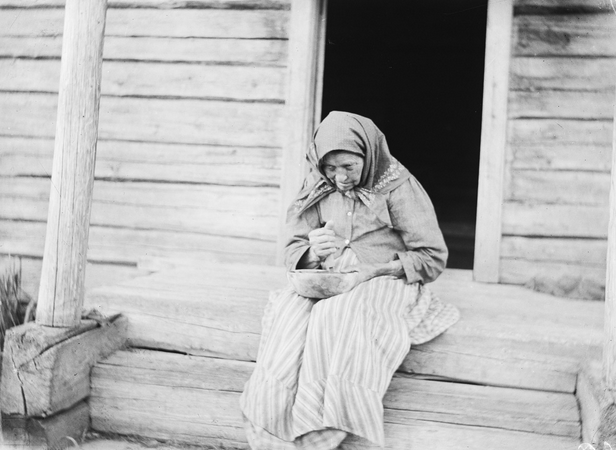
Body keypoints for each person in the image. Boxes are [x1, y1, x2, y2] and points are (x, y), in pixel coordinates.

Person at [240, 111, 460, 449]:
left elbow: (432, 257)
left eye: (349, 167)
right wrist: (312, 252)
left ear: (368, 155)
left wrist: (375, 270)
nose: (339, 177)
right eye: (330, 168)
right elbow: (293, 247)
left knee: (338, 315)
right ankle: (272, 422)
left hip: (383, 277)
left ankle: (323, 429)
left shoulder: (397, 186)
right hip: (327, 275)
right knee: (289, 313)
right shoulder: (316, 184)